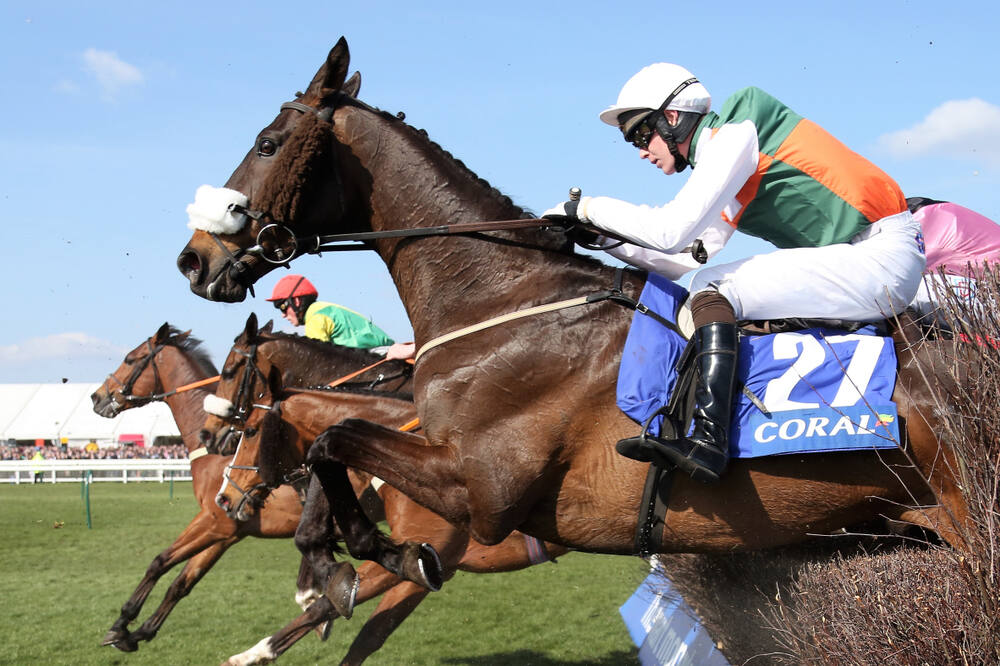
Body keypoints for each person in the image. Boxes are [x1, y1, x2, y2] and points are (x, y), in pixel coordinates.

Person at [544, 64, 925, 483]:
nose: (639, 151)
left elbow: (671, 232)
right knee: (705, 283)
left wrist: (587, 208)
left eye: (639, 134)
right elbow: (688, 258)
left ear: (672, 118)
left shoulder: (736, 135)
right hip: (871, 256)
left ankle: (710, 436)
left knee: (712, 288)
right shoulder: (732, 156)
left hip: (879, 256)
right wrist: (604, 240)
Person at [266, 274, 415, 360]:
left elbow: (317, 360)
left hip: (378, 357)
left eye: (282, 306)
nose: (283, 314)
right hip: (381, 351)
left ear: (296, 301)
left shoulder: (316, 319)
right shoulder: (324, 308)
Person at [907, 197, 1000, 326]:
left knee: (908, 292)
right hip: (984, 288)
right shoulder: (938, 211)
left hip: (987, 291)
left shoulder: (920, 224)